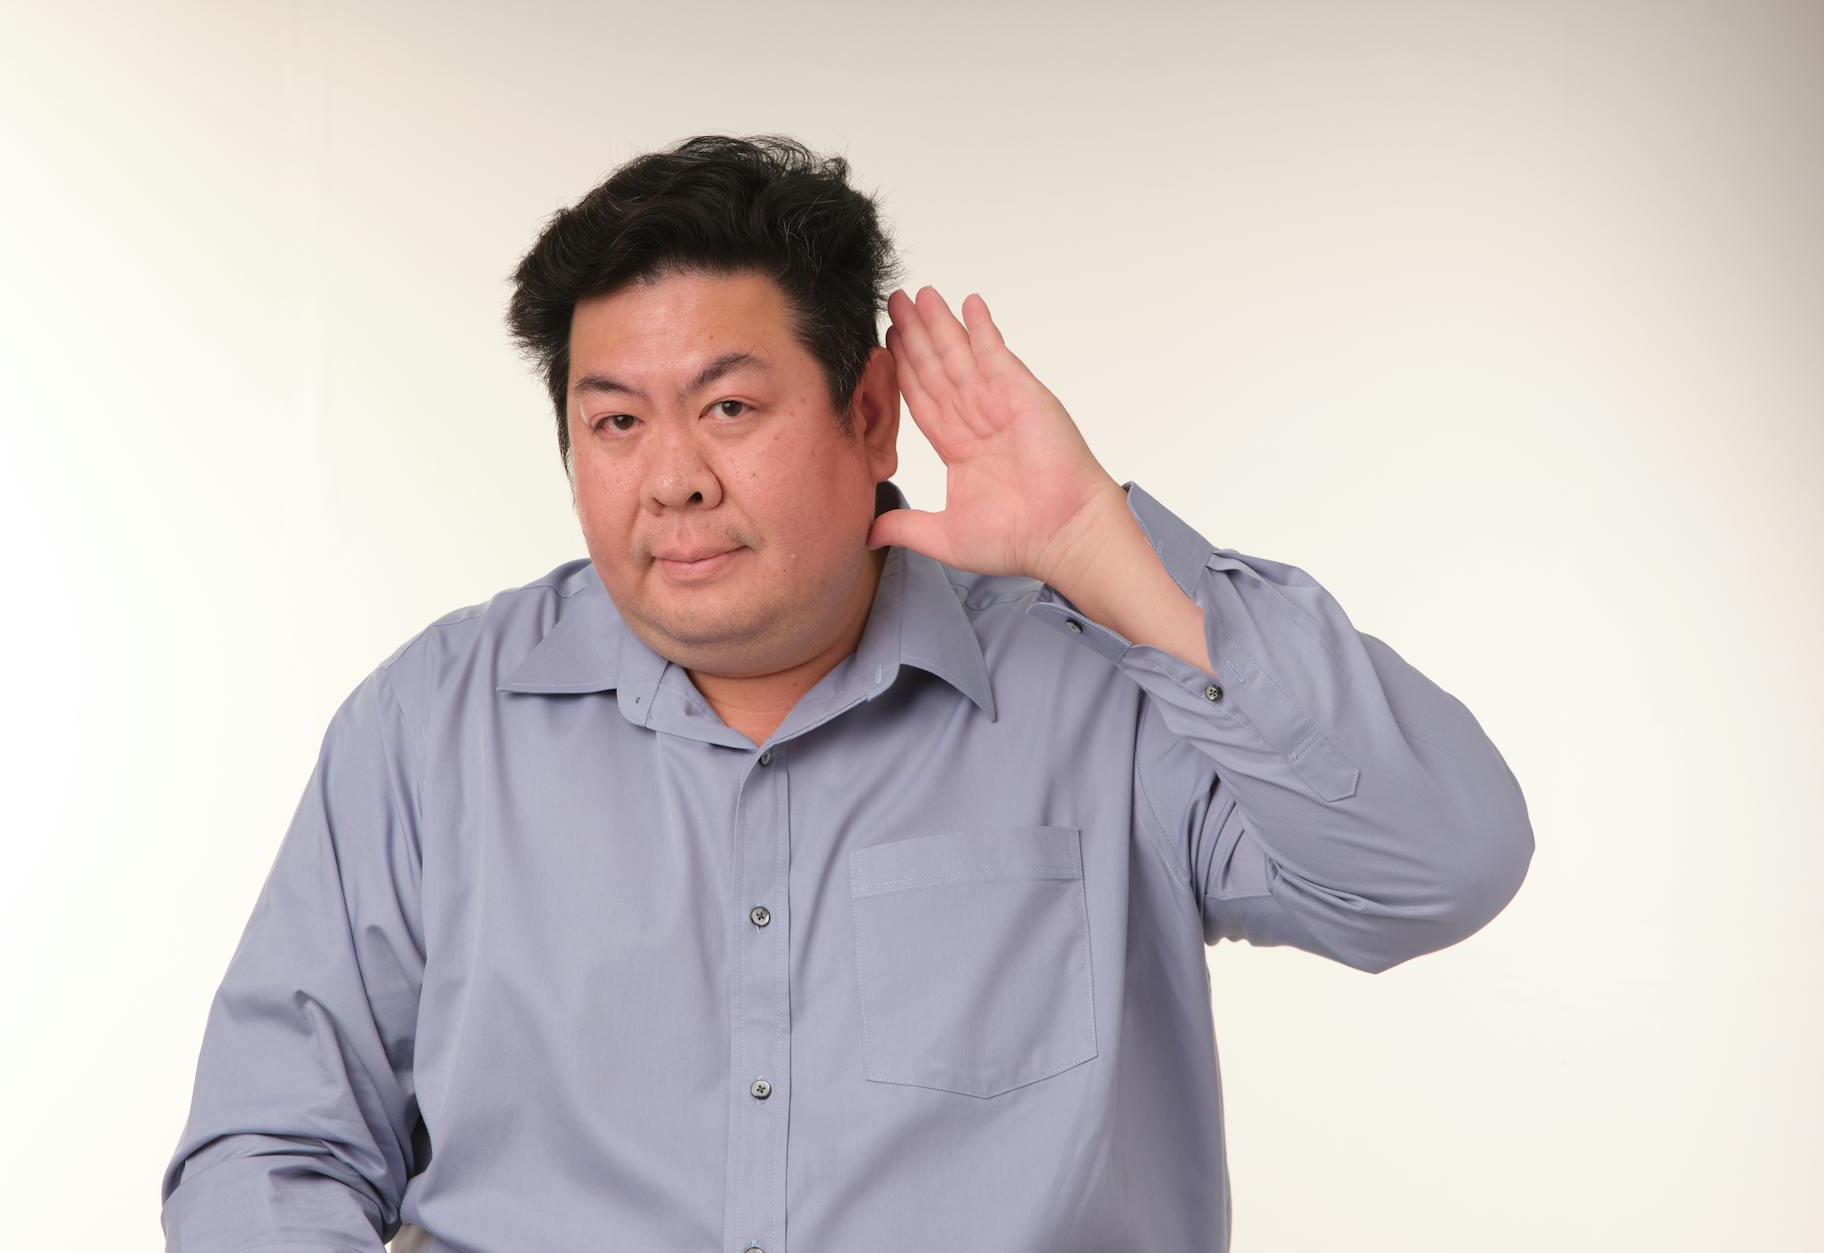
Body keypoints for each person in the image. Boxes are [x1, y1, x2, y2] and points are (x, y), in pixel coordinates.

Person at [159, 133, 1534, 1253]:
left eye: (731, 408)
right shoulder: (429, 731)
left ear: (869, 415)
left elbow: (1438, 863)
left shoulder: (1098, 696)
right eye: (615, 420)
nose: (672, 477)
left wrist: (1110, 555)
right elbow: (270, 1149)